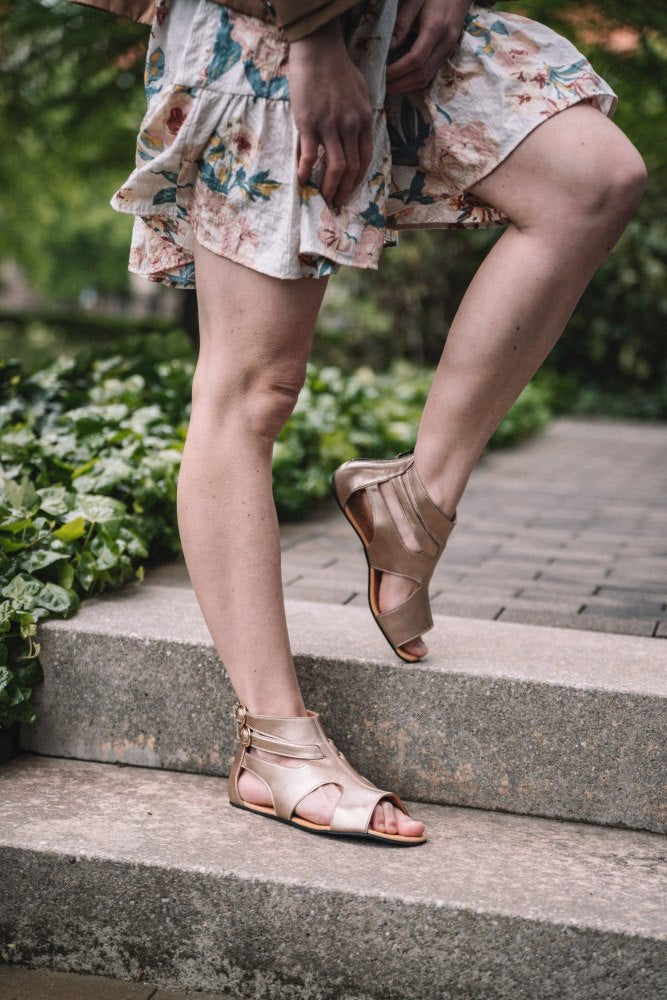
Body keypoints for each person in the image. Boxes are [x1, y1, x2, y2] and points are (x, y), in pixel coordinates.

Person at [108, 0, 647, 844]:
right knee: (253, 387)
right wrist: (311, 34)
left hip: (394, 18)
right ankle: (272, 741)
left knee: (589, 178)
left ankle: (415, 498)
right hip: (271, 28)